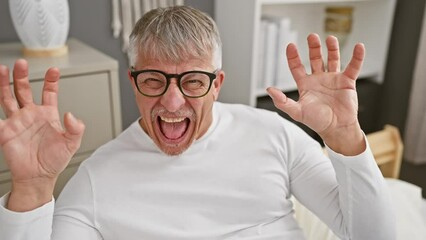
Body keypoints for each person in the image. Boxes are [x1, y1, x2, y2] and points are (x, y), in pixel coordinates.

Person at [0, 5, 395, 240]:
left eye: (192, 80)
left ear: (217, 83)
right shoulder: (95, 178)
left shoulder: (274, 135)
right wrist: (31, 191)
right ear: (133, 82)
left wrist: (345, 138)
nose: (172, 102)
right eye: (154, 80)